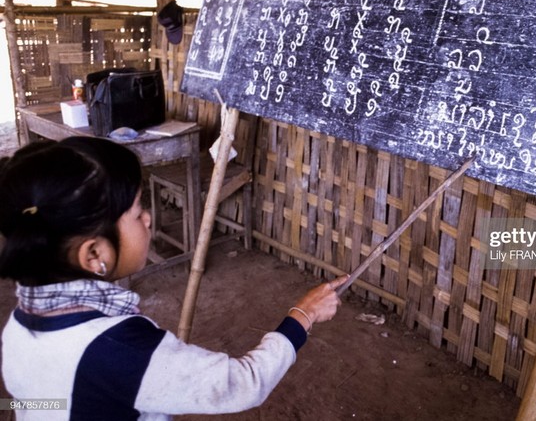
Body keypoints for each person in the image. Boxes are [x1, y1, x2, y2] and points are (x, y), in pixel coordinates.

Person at [0, 137, 347, 420]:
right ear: (94, 254)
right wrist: (304, 314)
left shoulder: (17, 327)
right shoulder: (121, 349)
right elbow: (244, 384)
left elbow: (21, 405)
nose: (149, 219)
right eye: (137, 213)